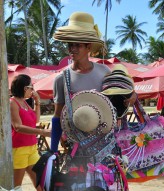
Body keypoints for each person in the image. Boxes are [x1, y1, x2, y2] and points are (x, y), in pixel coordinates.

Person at [50, 11, 137, 152]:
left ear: (88, 47)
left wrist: (133, 96)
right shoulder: (61, 78)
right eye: (70, 45)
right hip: (78, 147)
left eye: (77, 45)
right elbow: (57, 116)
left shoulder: (104, 72)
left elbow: (120, 94)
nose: (72, 49)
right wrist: (53, 150)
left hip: (107, 144)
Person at [10, 74, 51, 191]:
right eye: (30, 87)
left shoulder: (24, 102)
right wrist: (42, 132)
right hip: (19, 150)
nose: (32, 90)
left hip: (32, 148)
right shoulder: (13, 103)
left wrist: (37, 102)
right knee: (14, 190)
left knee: (41, 185)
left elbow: (36, 119)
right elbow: (17, 127)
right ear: (23, 88)